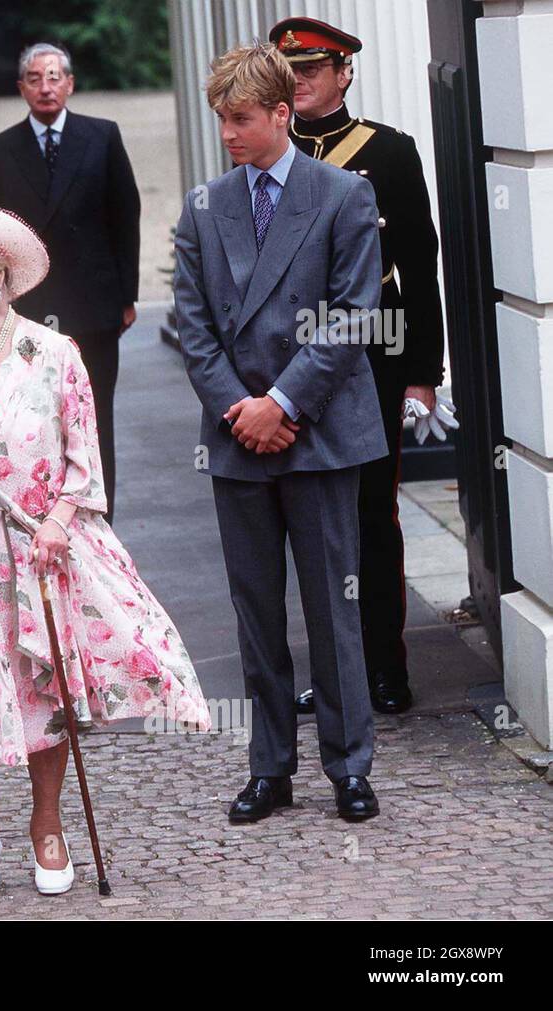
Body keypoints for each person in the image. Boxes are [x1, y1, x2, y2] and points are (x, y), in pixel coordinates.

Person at [0, 202, 211, 903]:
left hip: (32, 558)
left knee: (42, 690)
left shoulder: (53, 354)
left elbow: (83, 466)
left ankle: (47, 823)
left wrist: (60, 521)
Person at [173, 43, 388, 824]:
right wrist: (243, 408)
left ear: (281, 113)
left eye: (240, 119)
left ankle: (349, 764)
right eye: (221, 119)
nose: (227, 133)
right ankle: (271, 766)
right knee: (255, 609)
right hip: (238, 437)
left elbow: (352, 312)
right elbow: (193, 329)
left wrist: (285, 405)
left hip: (321, 431)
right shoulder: (204, 206)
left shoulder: (342, 196)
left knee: (336, 606)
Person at [269, 16, 448, 716]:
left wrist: (422, 373)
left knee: (372, 512)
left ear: (343, 73)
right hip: (295, 361)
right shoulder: (270, 154)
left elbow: (421, 268)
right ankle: (337, 672)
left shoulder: (388, 152)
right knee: (313, 519)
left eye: (312, 70)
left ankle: (385, 669)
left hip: (374, 354)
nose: (301, 82)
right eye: (290, 74)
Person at [0, 42, 141, 525]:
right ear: (21, 87)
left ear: (69, 83)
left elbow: (124, 215)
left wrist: (126, 296)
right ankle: (41, 515)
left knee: (94, 416)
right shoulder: (0, 149)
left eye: (54, 76)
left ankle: (97, 518)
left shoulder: (102, 136)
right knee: (35, 417)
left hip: (94, 305)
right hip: (29, 307)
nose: (45, 86)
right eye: (35, 77)